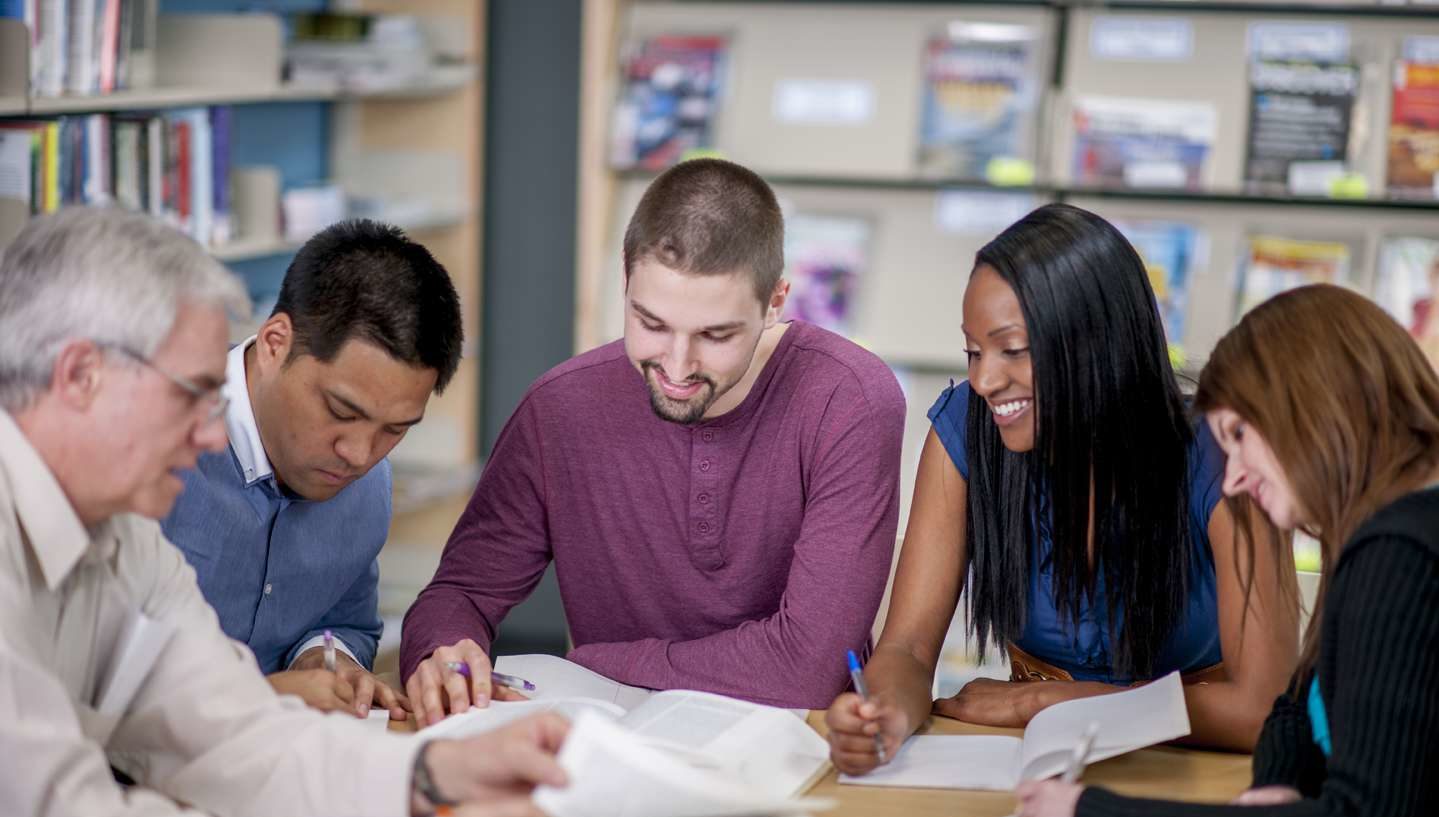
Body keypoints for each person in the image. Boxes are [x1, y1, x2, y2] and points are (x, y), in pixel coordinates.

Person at [0, 207, 567, 817]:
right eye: (192, 394)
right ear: (80, 375)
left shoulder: (126, 539)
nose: (214, 435)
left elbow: (231, 730)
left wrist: (432, 776)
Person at [400, 158, 907, 722]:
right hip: (613, 745)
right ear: (625, 278)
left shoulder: (849, 400)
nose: (678, 365)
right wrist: (443, 650)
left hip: (794, 746)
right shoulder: (561, 407)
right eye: (652, 323)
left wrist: (602, 663)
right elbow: (459, 593)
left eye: (715, 335)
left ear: (775, 302)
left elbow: (810, 669)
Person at [826, 204, 1298, 772]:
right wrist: (884, 714)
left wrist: (1044, 699)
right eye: (973, 352)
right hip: (1030, 768)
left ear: (1098, 343)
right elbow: (908, 649)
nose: (984, 380)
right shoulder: (966, 430)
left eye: (1012, 350)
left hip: (1196, 770)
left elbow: (1262, 711)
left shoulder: (1226, 454)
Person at [1016, 284, 1439, 816]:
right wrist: (1278, 783)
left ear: (1313, 405)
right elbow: (1298, 705)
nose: (1234, 478)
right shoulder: (1382, 527)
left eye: (1239, 434)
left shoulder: (1399, 553)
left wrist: (1089, 810)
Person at [160, 219, 463, 720]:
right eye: (342, 412)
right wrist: (264, 697)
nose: (360, 454)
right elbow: (89, 680)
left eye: (396, 429)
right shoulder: (151, 449)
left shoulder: (367, 487)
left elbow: (344, 621)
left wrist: (327, 659)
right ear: (276, 341)